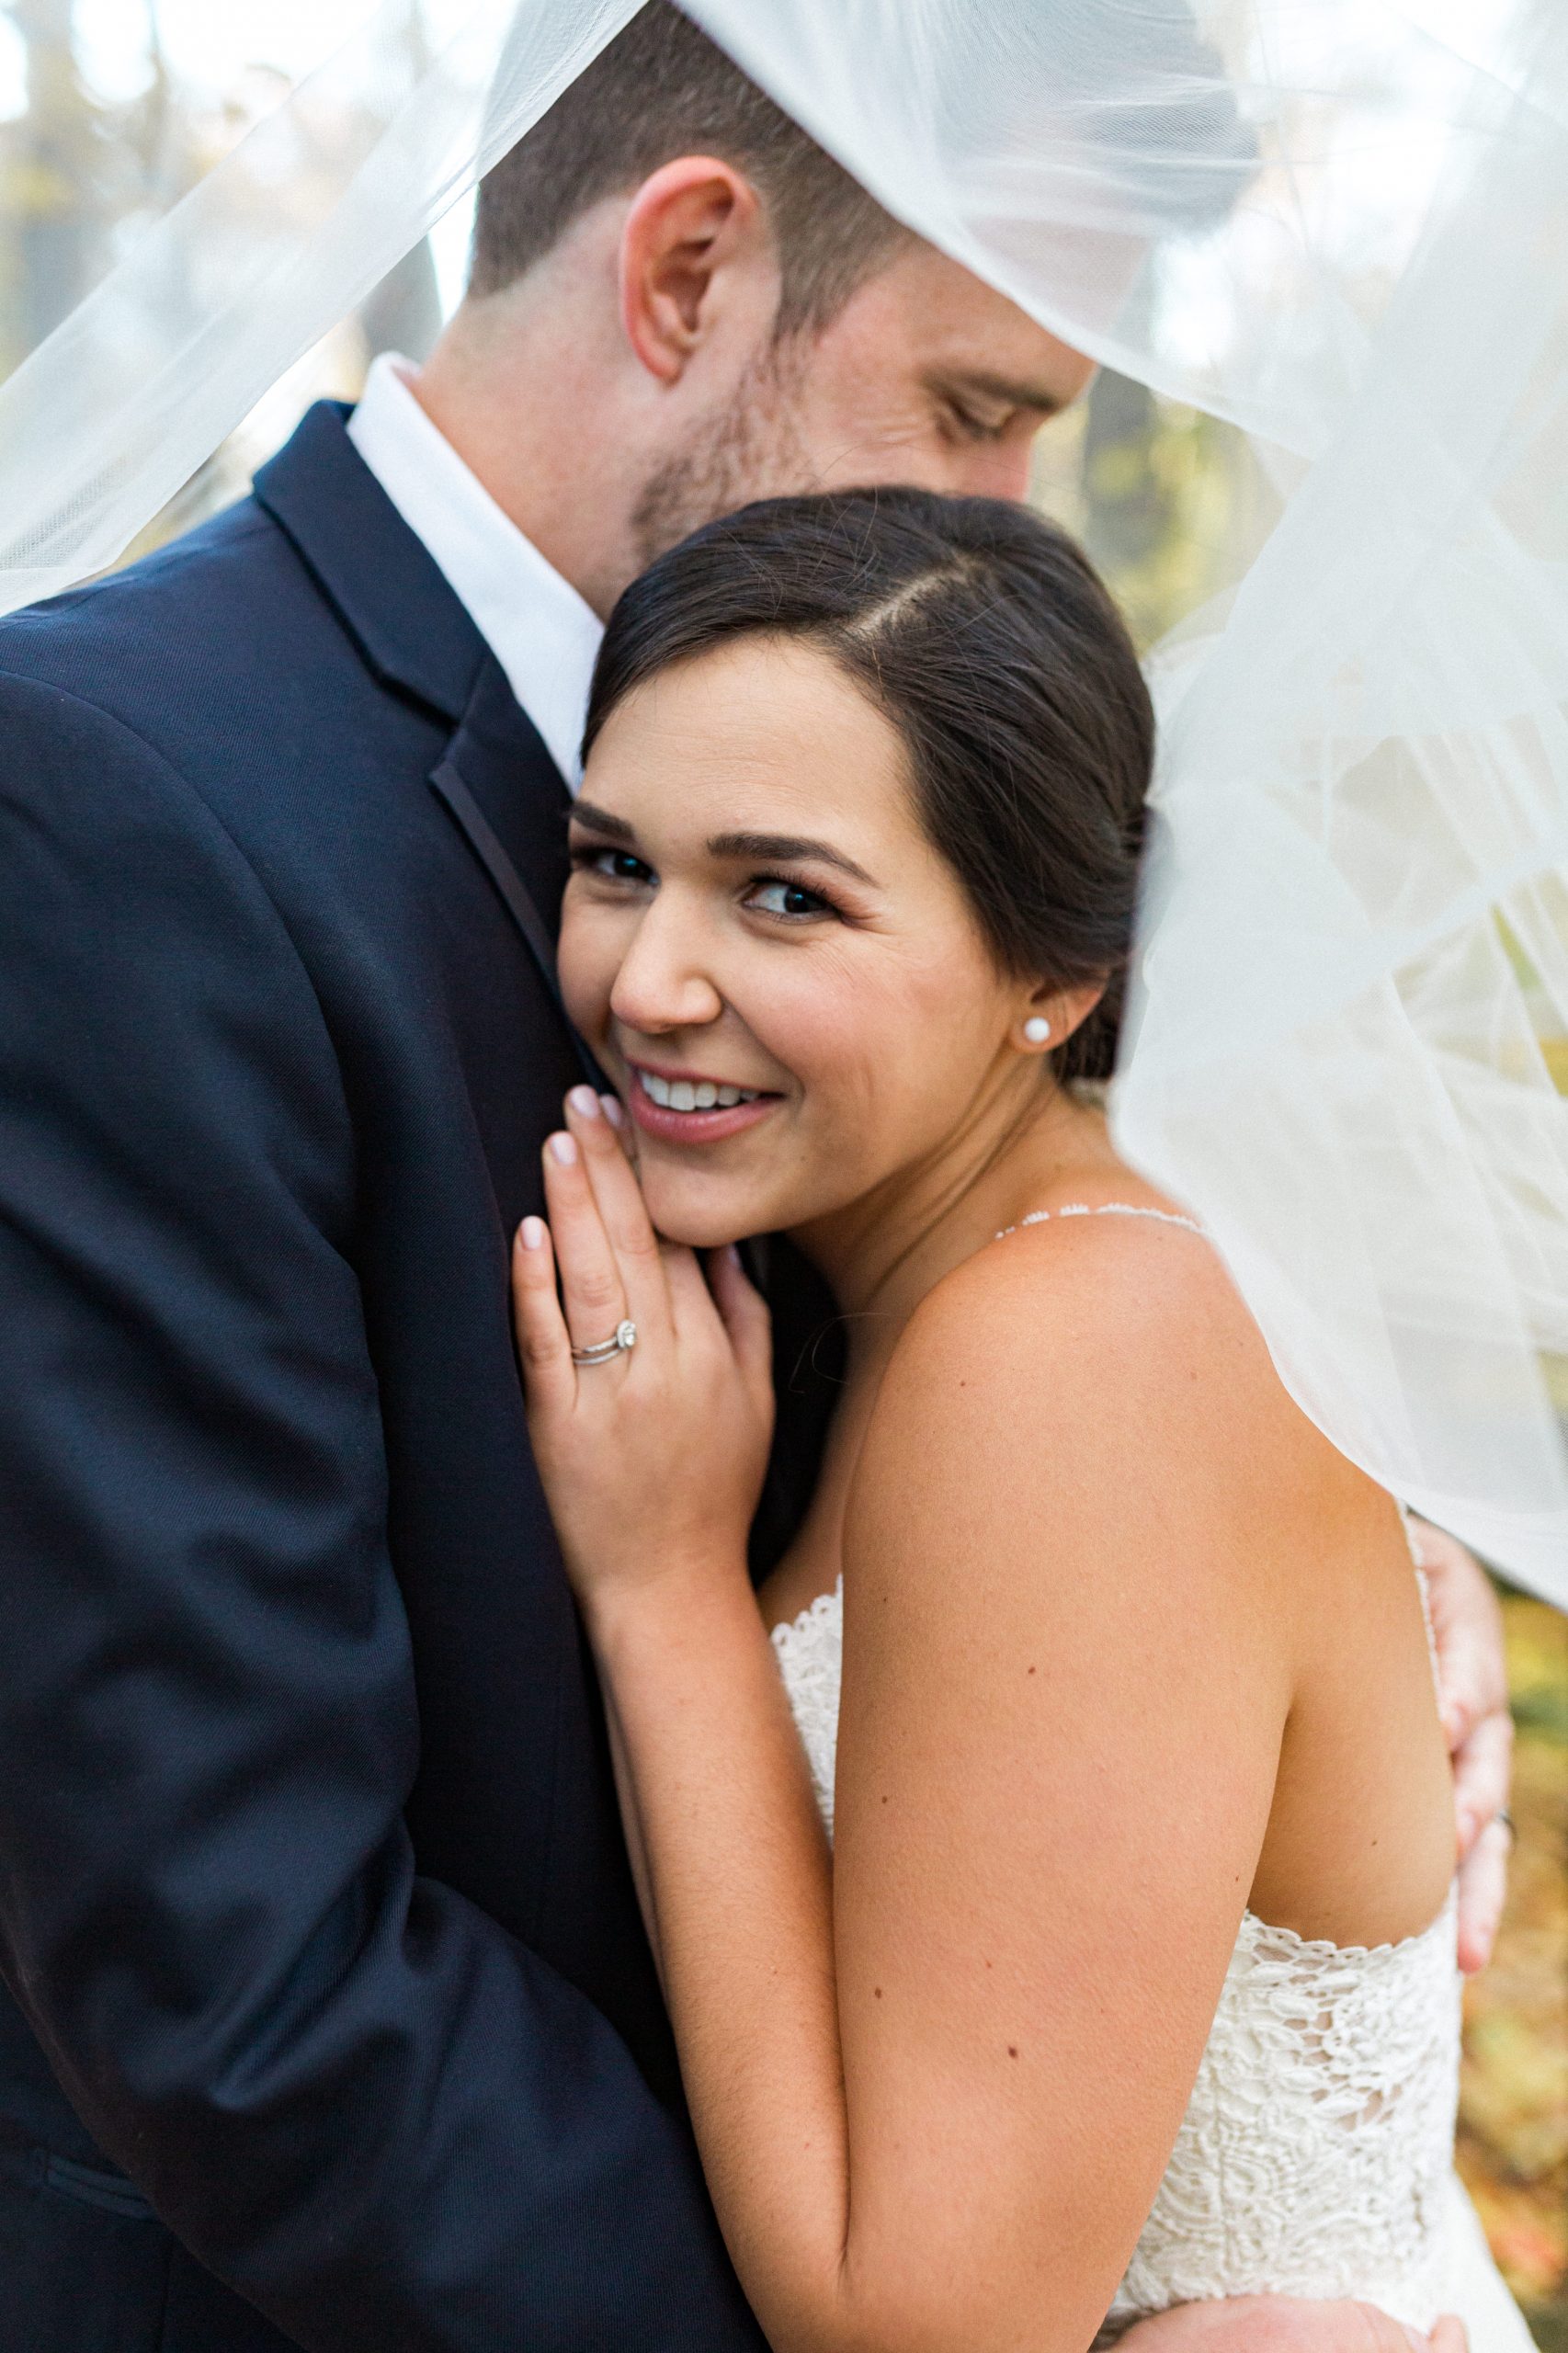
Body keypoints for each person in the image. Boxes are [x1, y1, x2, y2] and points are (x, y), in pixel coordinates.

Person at [0, 6, 1510, 2349]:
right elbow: (241, 1964)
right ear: (689, 269)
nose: (1006, 520)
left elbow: (1121, 1325)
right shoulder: (110, 796)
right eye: (978, 405)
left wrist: (1325, 1656)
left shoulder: (897, 794)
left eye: (774, 898)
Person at [516, 484, 1539, 2353]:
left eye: (783, 893)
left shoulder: (1073, 1351)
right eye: (611, 860)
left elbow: (922, 2318)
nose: (646, 981)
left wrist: (661, 1578)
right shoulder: (962, 1290)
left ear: (1052, 978)